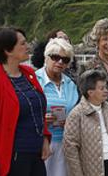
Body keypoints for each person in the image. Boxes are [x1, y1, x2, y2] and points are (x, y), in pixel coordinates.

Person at [0, 27, 52, 176]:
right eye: (22, 44)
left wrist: (45, 137)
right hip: (12, 158)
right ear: (8, 50)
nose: (28, 46)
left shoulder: (29, 73)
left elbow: (37, 109)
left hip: (36, 156)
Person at [64, 70, 108, 176]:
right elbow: (70, 149)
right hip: (92, 169)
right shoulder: (76, 114)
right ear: (90, 92)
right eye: (102, 88)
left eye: (106, 87)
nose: (106, 91)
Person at [36, 38, 80, 176]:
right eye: (55, 57)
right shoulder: (34, 80)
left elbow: (77, 112)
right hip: (42, 143)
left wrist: (70, 121)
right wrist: (41, 119)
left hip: (67, 143)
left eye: (65, 59)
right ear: (46, 57)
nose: (60, 62)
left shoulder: (70, 84)